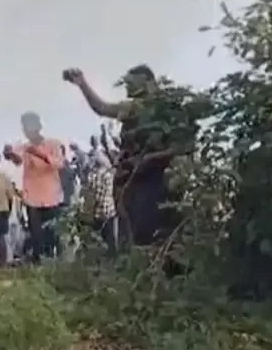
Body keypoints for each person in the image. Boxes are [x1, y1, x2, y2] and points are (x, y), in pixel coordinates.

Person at [64, 65, 189, 247]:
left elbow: (102, 108)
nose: (127, 87)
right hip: (154, 178)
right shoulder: (169, 108)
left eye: (130, 82)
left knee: (141, 232)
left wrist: (82, 84)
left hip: (143, 178)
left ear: (147, 82)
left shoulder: (139, 107)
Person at [5, 112, 65, 263]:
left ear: (38, 126)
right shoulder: (23, 147)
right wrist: (9, 154)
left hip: (52, 197)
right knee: (36, 234)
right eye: (24, 127)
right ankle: (38, 264)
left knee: (53, 233)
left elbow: (59, 164)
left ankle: (56, 263)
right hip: (32, 198)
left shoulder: (53, 144)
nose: (26, 130)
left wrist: (38, 153)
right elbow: (17, 160)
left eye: (29, 126)